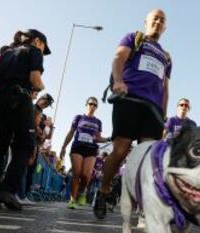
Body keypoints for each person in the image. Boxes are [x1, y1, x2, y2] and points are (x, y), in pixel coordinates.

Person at [93, 8, 171, 219]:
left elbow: (165, 87)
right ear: (146, 21)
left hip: (152, 109)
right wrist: (118, 81)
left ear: (165, 26)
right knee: (120, 150)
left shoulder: (166, 56)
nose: (158, 22)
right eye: (155, 18)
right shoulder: (134, 38)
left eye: (162, 20)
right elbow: (118, 58)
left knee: (148, 158)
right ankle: (104, 190)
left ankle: (145, 206)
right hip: (129, 100)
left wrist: (163, 114)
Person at [0, 29, 50, 210]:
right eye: (43, 47)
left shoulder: (6, 53)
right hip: (19, 99)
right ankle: (8, 189)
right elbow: (35, 80)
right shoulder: (34, 51)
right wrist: (40, 86)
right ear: (38, 41)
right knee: (26, 145)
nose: (42, 50)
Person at [60, 97, 109, 209]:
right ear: (86, 104)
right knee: (77, 172)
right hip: (77, 147)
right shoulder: (79, 117)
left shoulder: (98, 122)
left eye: (95, 105)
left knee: (86, 175)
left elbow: (98, 138)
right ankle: (72, 199)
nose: (93, 106)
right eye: (91, 104)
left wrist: (109, 139)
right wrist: (63, 147)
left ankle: (82, 192)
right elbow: (71, 132)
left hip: (91, 148)